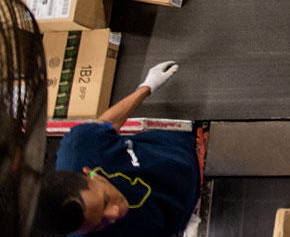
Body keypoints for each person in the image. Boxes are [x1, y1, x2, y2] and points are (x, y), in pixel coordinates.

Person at [36, 60, 199, 236]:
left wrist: (147, 87)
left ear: (90, 173)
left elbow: (108, 124)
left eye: (105, 201)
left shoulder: (80, 144)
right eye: (100, 224)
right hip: (182, 215)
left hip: (188, 152)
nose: (114, 214)